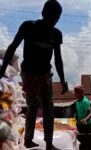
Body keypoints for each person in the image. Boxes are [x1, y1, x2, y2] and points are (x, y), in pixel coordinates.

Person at [0, 0, 68, 149]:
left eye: (56, 19)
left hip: (45, 75)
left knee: (49, 107)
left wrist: (63, 80)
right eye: (51, 17)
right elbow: (12, 47)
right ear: (44, 14)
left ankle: (49, 143)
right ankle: (28, 139)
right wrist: (2, 69)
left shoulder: (56, 34)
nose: (53, 21)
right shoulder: (28, 27)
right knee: (33, 105)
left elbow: (58, 58)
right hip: (29, 74)